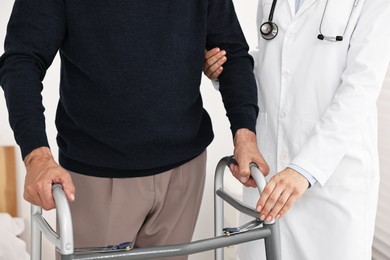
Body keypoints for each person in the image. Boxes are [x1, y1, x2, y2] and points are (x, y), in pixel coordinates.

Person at [0, 0, 269, 259]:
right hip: (96, 175)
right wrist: (37, 155)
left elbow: (231, 53)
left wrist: (245, 135)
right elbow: (22, 59)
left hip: (184, 170)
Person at [204, 0, 390, 259]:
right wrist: (226, 71)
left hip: (331, 181)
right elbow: (274, 65)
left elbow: (360, 88)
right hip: (269, 176)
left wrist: (305, 169)